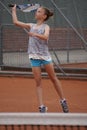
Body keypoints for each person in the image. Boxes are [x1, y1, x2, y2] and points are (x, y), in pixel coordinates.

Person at [11, 5, 69, 113]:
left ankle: (63, 100)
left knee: (53, 79)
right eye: (37, 11)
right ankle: (42, 107)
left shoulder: (46, 27)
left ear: (44, 16)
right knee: (38, 83)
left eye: (38, 11)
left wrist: (34, 34)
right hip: (34, 57)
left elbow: (46, 37)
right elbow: (16, 22)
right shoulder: (31, 25)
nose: (36, 13)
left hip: (45, 56)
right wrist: (14, 11)